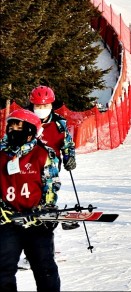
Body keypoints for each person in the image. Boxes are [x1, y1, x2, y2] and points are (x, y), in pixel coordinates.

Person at [0, 109, 61, 292]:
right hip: (8, 221)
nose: (13, 130)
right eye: (10, 126)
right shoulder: (1, 154)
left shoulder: (43, 154)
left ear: (30, 130)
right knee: (3, 271)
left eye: (19, 126)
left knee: (45, 270)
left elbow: (51, 185)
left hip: (36, 222)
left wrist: (46, 209)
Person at [27, 87, 77, 229]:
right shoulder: (24, 122)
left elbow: (67, 145)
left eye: (45, 106)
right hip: (27, 162)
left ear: (51, 105)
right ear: (32, 105)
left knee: (49, 169)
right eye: (38, 106)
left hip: (50, 163)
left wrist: (69, 157)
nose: (41, 109)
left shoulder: (59, 124)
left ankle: (48, 204)